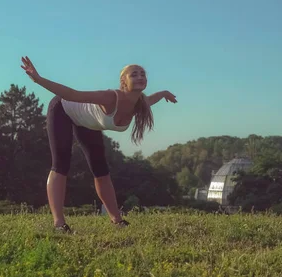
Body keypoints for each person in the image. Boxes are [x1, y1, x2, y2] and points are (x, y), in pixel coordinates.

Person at [20, 56, 177, 232]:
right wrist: (39, 80)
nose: (140, 77)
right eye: (134, 74)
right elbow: (73, 95)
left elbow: (151, 100)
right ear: (123, 82)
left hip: (88, 123)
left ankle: (117, 220)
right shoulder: (111, 97)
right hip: (63, 109)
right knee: (61, 164)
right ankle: (59, 223)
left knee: (101, 169)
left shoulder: (140, 104)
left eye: (143, 74)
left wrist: (164, 93)